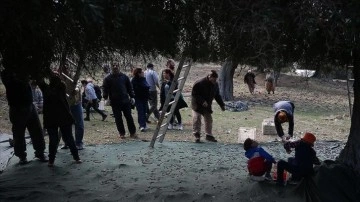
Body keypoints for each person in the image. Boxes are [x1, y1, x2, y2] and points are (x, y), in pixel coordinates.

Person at [0, 69, 48, 164]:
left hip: (29, 105)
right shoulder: (7, 73)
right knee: (18, 133)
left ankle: (40, 152)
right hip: (17, 108)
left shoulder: (23, 68)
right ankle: (22, 156)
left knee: (37, 130)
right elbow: (12, 82)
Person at [38, 72, 81, 167]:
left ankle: (53, 160)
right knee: (66, 139)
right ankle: (75, 157)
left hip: (56, 118)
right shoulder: (59, 88)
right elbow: (41, 81)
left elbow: (40, 80)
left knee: (61, 139)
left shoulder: (57, 88)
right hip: (59, 117)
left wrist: (46, 71)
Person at [103, 63, 137, 139]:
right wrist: (105, 98)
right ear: (111, 67)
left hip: (125, 101)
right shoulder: (107, 79)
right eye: (113, 65)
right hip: (115, 102)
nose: (115, 67)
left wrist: (132, 97)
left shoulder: (124, 77)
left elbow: (129, 87)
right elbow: (105, 89)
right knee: (118, 118)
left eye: (117, 65)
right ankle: (122, 133)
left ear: (119, 67)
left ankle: (133, 132)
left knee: (129, 117)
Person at [191, 70, 226, 143]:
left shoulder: (215, 85)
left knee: (209, 119)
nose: (215, 81)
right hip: (197, 104)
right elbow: (194, 94)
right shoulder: (199, 83)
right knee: (197, 118)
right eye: (213, 79)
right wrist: (202, 101)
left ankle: (208, 135)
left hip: (207, 105)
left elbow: (217, 95)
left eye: (216, 79)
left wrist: (222, 105)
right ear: (209, 77)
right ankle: (197, 135)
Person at [61, 72, 85, 150]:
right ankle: (67, 142)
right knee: (65, 124)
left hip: (75, 103)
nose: (65, 67)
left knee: (79, 123)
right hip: (64, 103)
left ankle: (78, 143)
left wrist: (76, 89)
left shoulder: (73, 75)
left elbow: (78, 84)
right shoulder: (59, 76)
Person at [131, 67, 150, 132]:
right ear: (138, 73)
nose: (143, 73)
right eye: (142, 72)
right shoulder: (133, 80)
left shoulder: (143, 79)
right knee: (140, 111)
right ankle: (142, 125)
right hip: (138, 98)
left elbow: (147, 86)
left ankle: (143, 124)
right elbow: (131, 89)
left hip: (144, 98)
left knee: (144, 111)